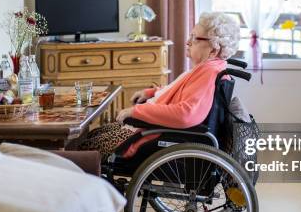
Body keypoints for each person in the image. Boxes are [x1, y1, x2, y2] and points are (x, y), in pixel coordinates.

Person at [79, 12, 240, 161]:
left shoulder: (208, 73)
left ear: (214, 48)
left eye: (195, 38)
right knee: (94, 134)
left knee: (84, 148)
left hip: (153, 135)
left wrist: (136, 111)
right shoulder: (208, 68)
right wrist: (152, 92)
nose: (188, 42)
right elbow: (179, 91)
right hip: (150, 129)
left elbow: (186, 114)